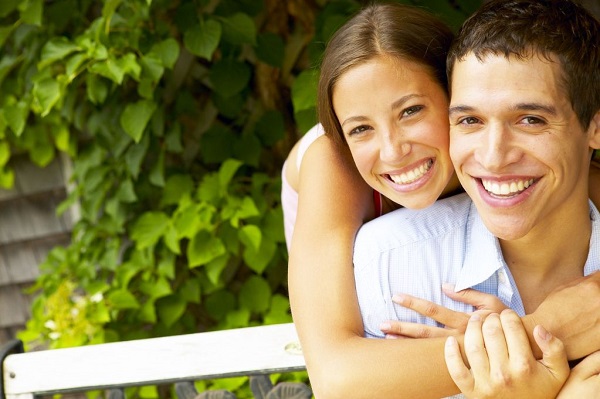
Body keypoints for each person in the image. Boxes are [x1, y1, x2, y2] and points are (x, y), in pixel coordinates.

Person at [285, 2, 600, 399]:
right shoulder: (336, 169)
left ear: (451, 91)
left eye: (412, 111)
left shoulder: (535, 160)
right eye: (362, 128)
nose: (394, 149)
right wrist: (538, 334)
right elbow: (335, 376)